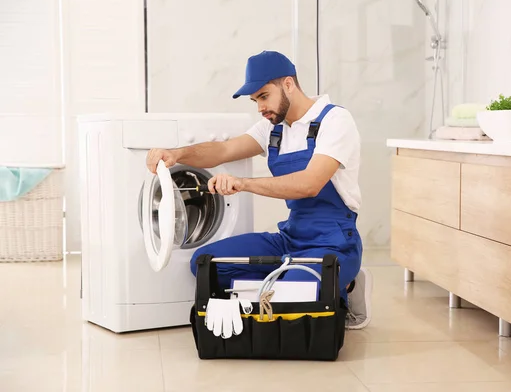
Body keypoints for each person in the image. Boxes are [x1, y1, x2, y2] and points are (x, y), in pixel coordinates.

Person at [146, 50, 372, 329]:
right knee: (204, 264)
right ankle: (296, 281)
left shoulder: (335, 121)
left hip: (334, 241)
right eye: (255, 101)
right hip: (290, 238)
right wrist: (176, 154)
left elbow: (309, 184)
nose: (259, 107)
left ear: (288, 84)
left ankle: (345, 284)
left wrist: (243, 184)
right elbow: (223, 150)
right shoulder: (273, 128)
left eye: (264, 96)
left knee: (292, 299)